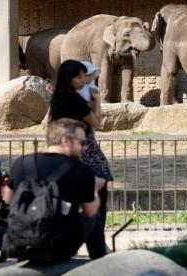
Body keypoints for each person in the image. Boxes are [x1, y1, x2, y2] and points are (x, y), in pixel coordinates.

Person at [2, 118, 107, 260]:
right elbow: (90, 211)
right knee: (94, 217)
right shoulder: (81, 170)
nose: (85, 147)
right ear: (65, 141)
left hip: (19, 242)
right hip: (58, 246)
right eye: (82, 143)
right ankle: (100, 262)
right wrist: (94, 188)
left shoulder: (22, 163)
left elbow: (7, 200)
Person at [49, 60, 113, 231]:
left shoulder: (58, 97)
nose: (84, 80)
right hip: (82, 150)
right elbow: (96, 121)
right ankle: (96, 236)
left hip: (62, 151)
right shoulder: (74, 99)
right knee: (98, 189)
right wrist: (98, 99)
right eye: (79, 77)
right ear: (69, 79)